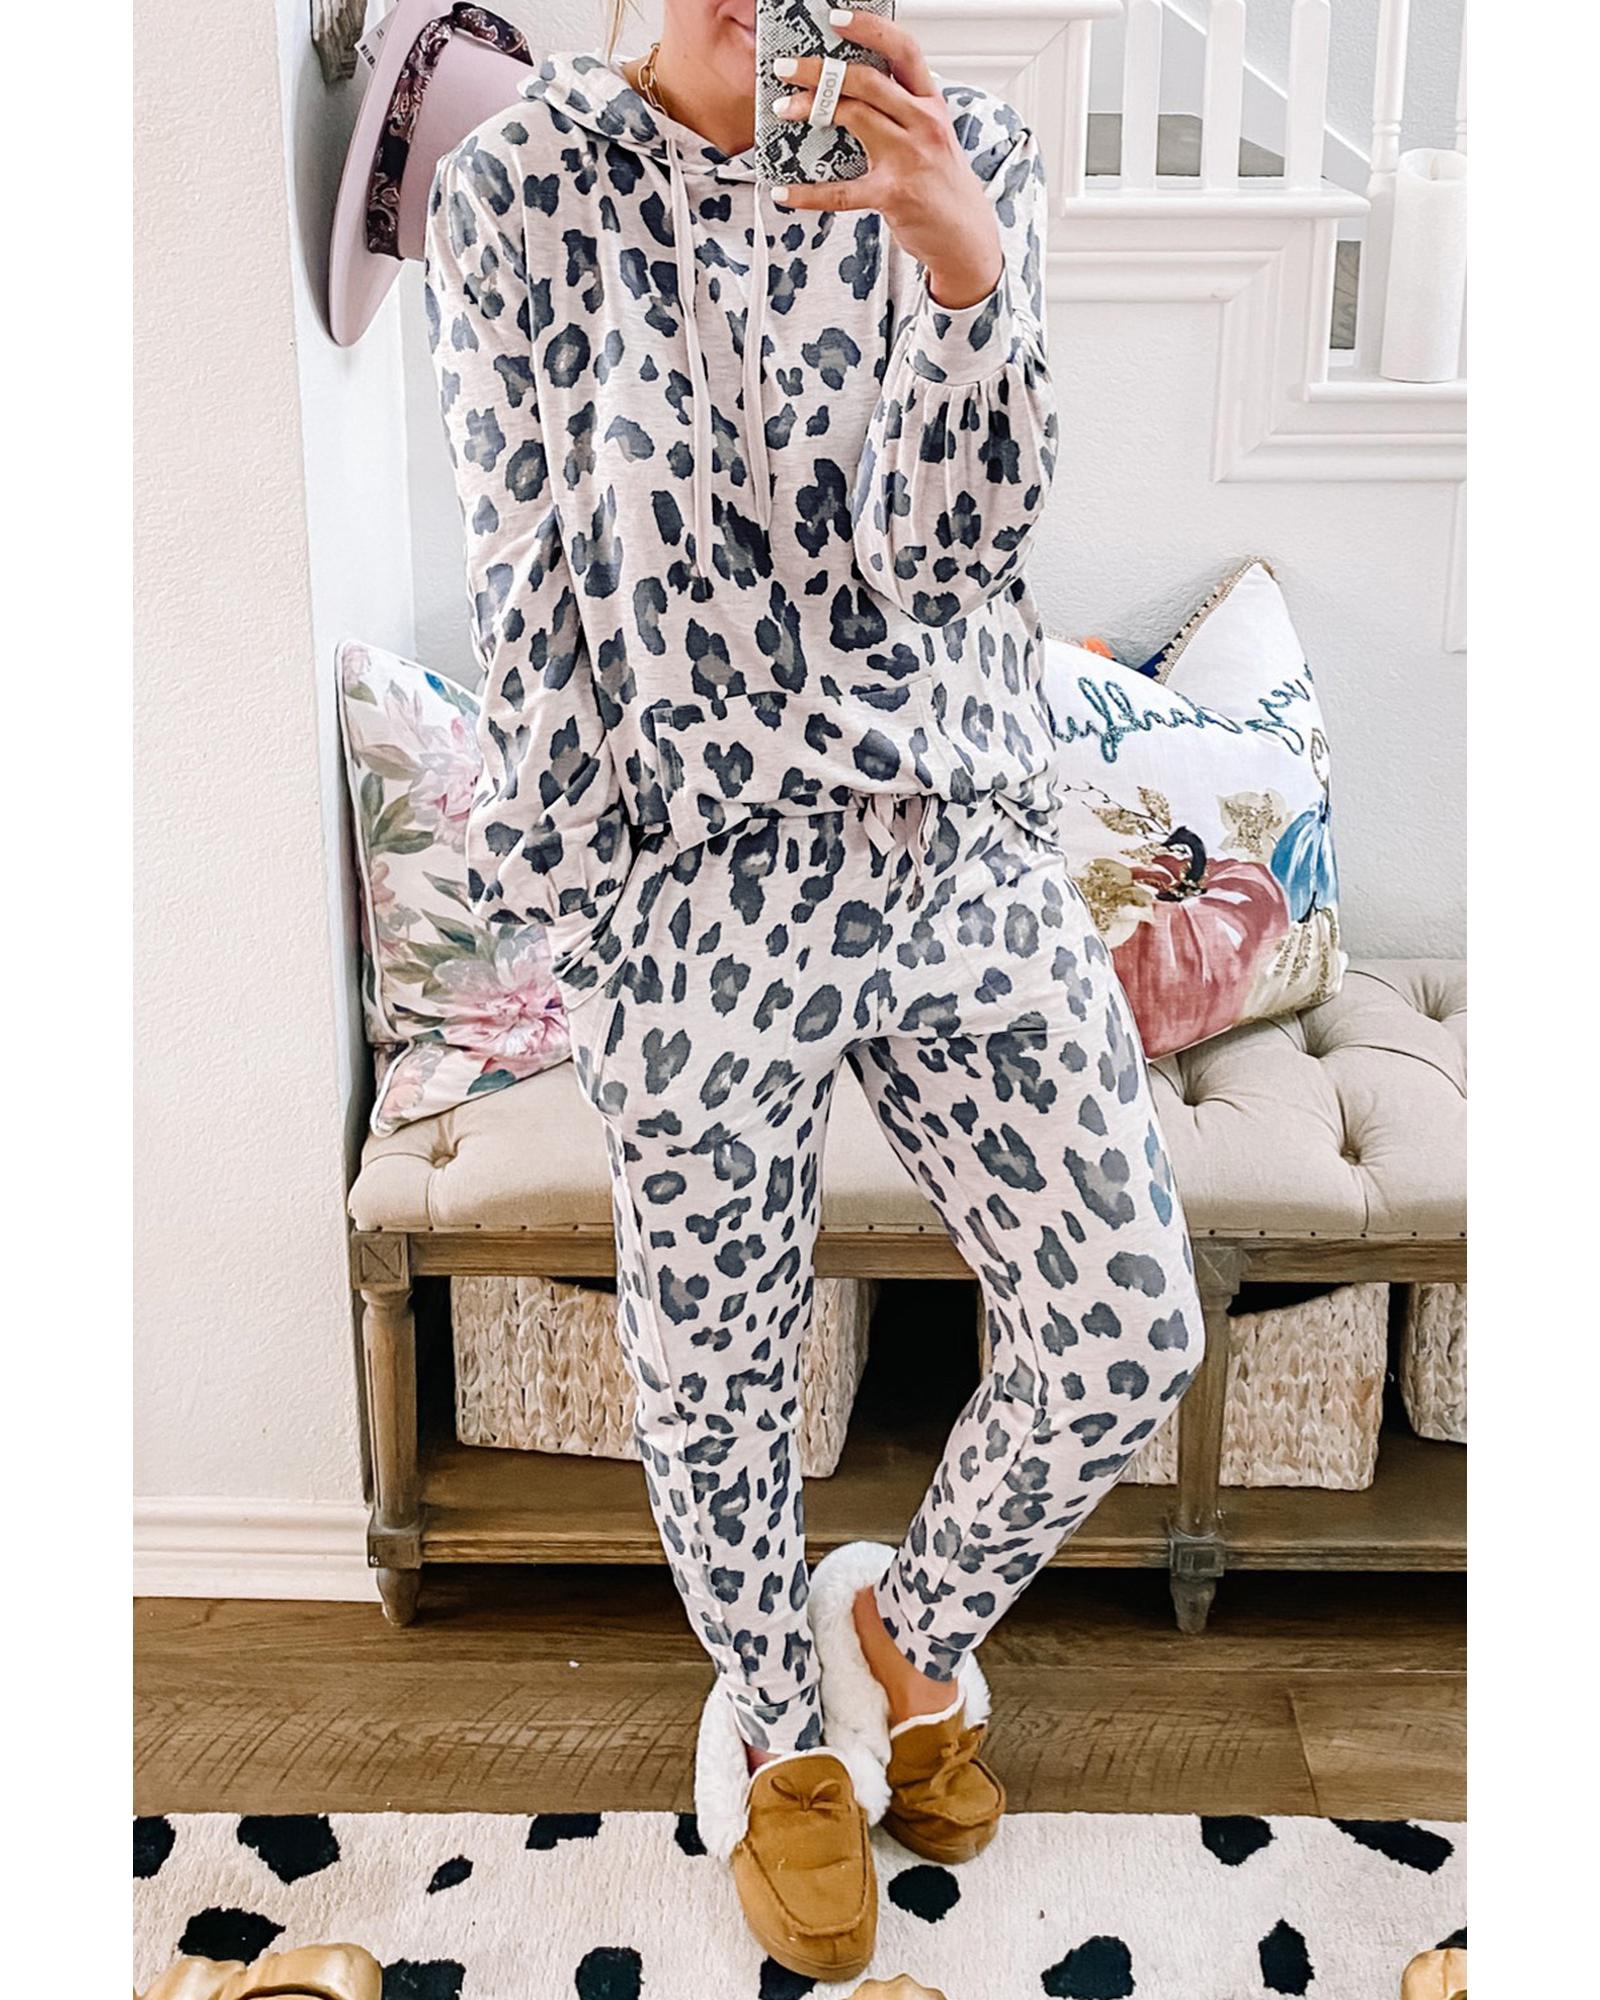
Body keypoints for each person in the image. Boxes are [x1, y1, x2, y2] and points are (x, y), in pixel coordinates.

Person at [424, 1, 1205, 1979]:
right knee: (714, 1362)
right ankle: (780, 1726)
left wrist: (961, 274)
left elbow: (955, 558)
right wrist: (585, 908)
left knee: (1128, 1322)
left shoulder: (964, 154)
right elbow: (525, 585)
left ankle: (906, 1634)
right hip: (695, 874)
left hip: (959, 838)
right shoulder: (523, 186)